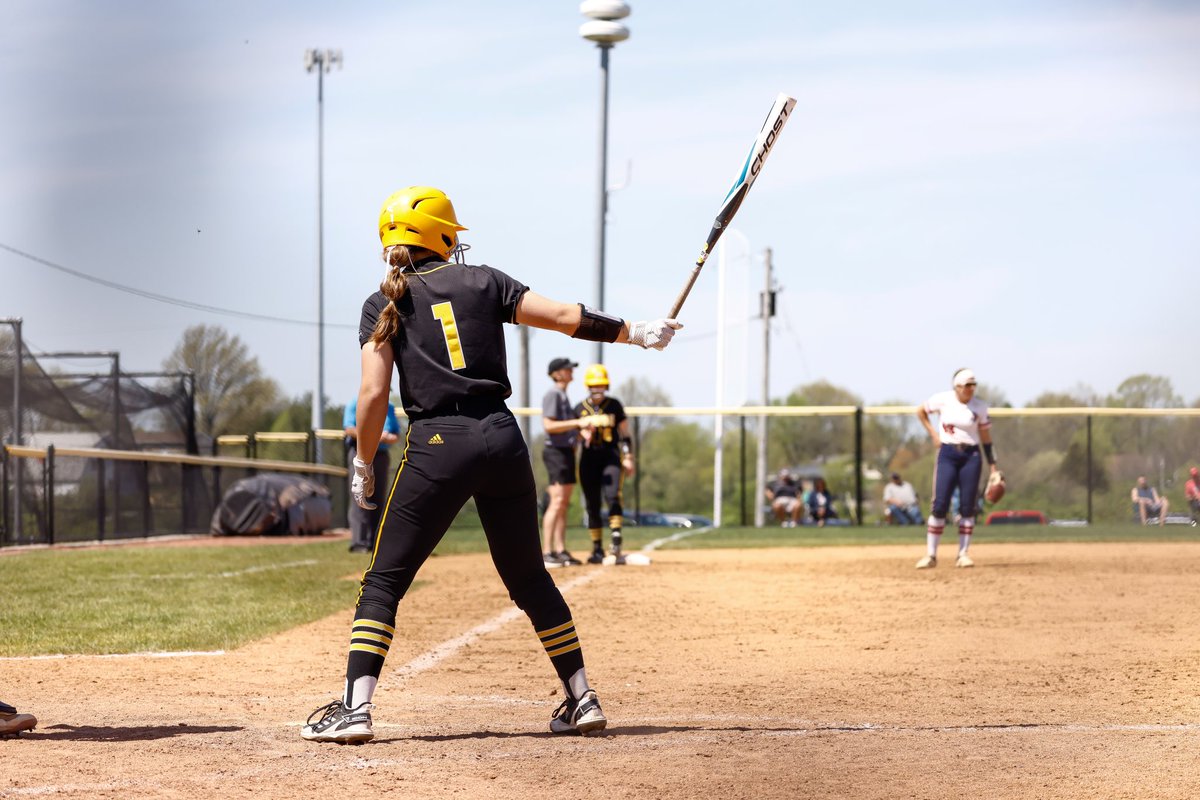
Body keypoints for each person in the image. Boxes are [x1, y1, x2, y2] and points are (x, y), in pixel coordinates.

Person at [300, 186, 681, 744]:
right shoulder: (484, 279)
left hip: (436, 443)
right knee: (529, 577)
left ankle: (356, 709)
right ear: (443, 236)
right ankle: (582, 698)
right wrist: (635, 333)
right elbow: (563, 317)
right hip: (502, 439)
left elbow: (372, 393)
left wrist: (363, 460)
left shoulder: (381, 302)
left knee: (383, 580)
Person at [915, 367, 999, 569]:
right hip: (948, 454)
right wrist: (934, 435)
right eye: (967, 385)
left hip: (971, 455)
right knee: (940, 504)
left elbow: (986, 439)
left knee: (968, 506)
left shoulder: (979, 407)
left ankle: (963, 554)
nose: (971, 389)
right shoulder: (942, 399)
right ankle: (931, 555)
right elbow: (921, 411)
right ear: (957, 387)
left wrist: (993, 467)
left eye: (973, 385)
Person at [574, 364, 635, 564]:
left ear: (606, 385)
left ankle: (616, 537)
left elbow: (625, 435)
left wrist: (628, 456)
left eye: (600, 385)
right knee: (592, 503)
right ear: (587, 386)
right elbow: (573, 438)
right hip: (588, 458)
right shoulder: (580, 408)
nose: (597, 389)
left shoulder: (614, 405)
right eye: (593, 385)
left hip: (610, 455)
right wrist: (580, 434)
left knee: (612, 495)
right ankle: (597, 548)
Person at [541, 358, 585, 568]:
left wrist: (580, 432)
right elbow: (549, 425)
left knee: (564, 504)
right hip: (555, 453)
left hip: (566, 452)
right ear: (557, 374)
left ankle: (560, 550)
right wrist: (578, 422)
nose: (570, 371)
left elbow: (564, 428)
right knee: (556, 502)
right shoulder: (553, 394)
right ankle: (546, 552)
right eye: (566, 369)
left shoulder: (563, 396)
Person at [343, 397, 401, 553]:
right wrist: (373, 435)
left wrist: (387, 438)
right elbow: (349, 429)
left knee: (378, 497)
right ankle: (359, 543)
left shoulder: (389, 406)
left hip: (381, 454)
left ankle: (376, 541)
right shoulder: (355, 403)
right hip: (360, 452)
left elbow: (396, 433)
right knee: (359, 496)